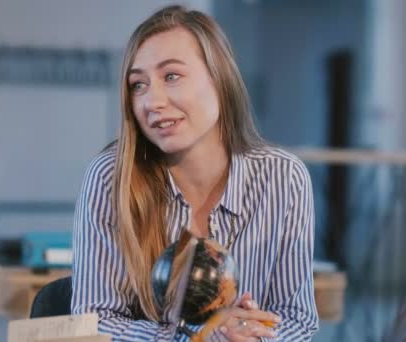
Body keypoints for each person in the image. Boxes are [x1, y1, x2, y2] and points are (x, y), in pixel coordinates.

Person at [71, 5, 319, 341]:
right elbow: (94, 321)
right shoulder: (109, 179)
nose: (151, 101)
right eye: (138, 85)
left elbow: (298, 319)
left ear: (220, 79)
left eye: (171, 76)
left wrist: (247, 335)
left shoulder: (284, 178)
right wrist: (199, 337)